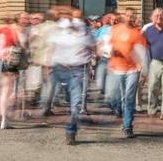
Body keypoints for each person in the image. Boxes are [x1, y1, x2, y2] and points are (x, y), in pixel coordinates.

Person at [44, 8, 95, 145]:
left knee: (76, 103)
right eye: (73, 16)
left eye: (78, 17)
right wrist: (48, 62)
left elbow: (92, 46)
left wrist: (92, 56)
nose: (75, 19)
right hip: (59, 68)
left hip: (77, 71)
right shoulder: (60, 27)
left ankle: (71, 130)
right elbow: (51, 46)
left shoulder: (84, 29)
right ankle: (46, 107)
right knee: (47, 96)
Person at [106, 9, 148, 139]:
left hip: (132, 70)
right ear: (123, 16)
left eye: (132, 16)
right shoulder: (114, 29)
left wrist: (144, 69)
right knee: (114, 96)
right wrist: (110, 52)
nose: (129, 18)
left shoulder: (137, 33)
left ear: (134, 18)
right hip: (116, 68)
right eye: (127, 15)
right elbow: (107, 46)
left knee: (129, 99)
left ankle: (127, 126)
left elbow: (142, 53)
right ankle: (117, 108)